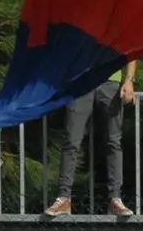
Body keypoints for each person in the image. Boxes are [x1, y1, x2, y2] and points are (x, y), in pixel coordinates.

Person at [45, 58, 136, 217]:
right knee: (71, 142)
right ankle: (64, 198)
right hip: (81, 82)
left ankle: (115, 199)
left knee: (114, 142)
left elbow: (132, 49)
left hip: (110, 82)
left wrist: (129, 80)